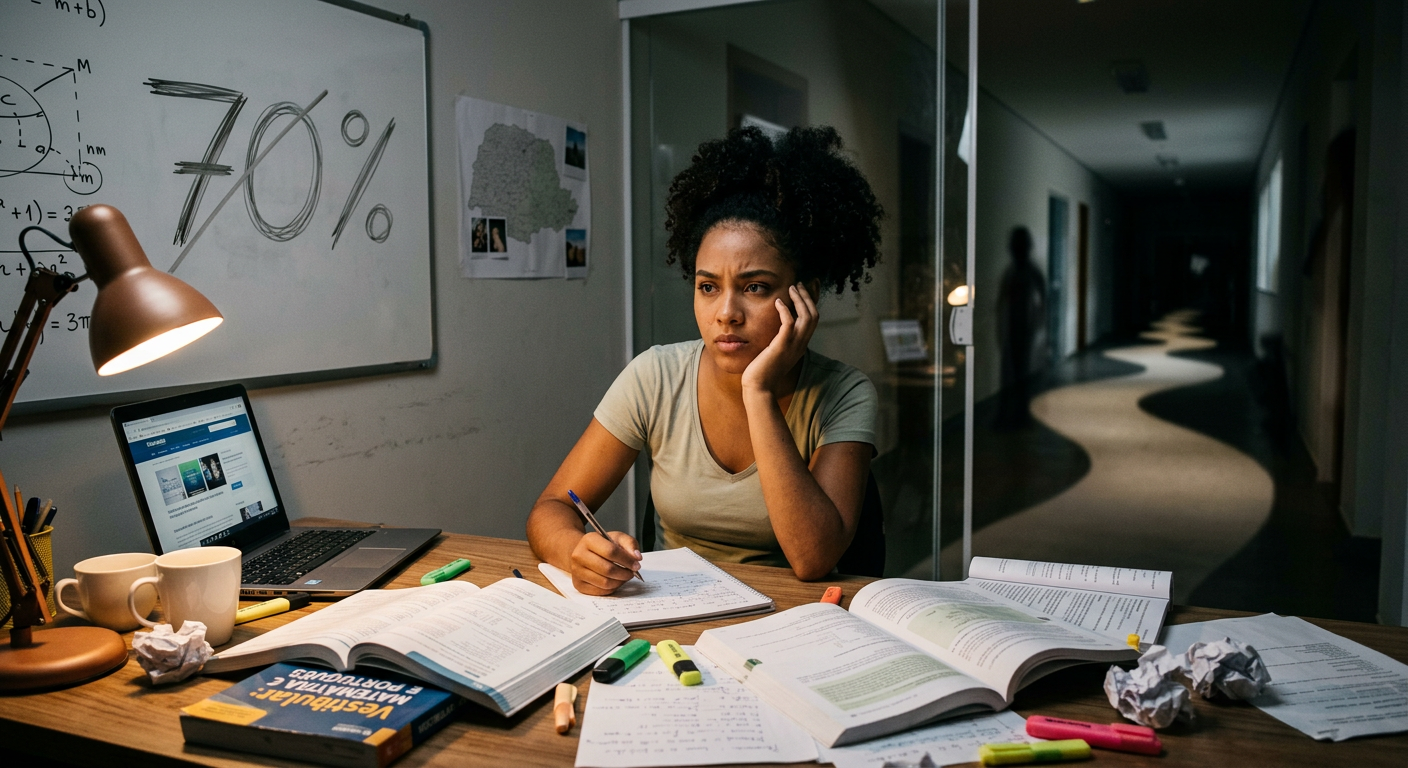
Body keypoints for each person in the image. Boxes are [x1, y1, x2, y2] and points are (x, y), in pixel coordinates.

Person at [527, 126, 883, 595]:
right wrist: (576, 551)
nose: (726, 314)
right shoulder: (656, 376)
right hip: (671, 616)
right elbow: (552, 507)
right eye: (708, 287)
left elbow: (813, 557)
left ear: (805, 297)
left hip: (789, 621)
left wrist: (757, 392)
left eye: (755, 287)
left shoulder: (845, 393)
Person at [995, 226, 1046, 429]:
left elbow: (1041, 300)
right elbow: (1001, 302)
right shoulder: (1013, 271)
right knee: (1010, 373)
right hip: (1013, 328)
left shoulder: (1029, 271)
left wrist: (1036, 326)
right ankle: (1011, 414)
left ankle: (1021, 414)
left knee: (1020, 373)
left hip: (1023, 329)